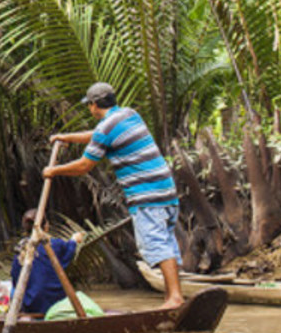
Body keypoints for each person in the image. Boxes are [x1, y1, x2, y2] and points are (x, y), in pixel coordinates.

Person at [45, 81, 184, 309]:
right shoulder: (129, 114)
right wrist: (66, 137)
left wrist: (53, 170)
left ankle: (174, 298)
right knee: (166, 242)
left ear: (93, 105)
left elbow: (84, 166)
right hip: (165, 189)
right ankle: (173, 296)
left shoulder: (105, 129)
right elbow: (97, 135)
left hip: (146, 193)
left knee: (157, 243)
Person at [9, 208, 85, 315]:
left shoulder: (21, 250)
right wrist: (74, 240)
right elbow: (68, 253)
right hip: (56, 301)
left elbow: (15, 280)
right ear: (46, 226)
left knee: (13, 291)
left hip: (31, 303)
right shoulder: (55, 245)